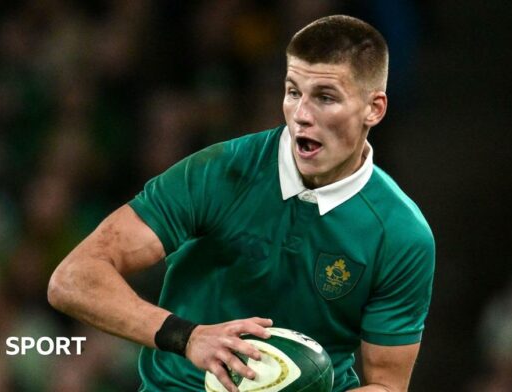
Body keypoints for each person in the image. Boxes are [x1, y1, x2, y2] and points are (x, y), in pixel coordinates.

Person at [48, 15, 435, 392]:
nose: (301, 115)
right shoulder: (219, 172)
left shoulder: (401, 234)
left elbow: (386, 383)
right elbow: (73, 278)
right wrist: (189, 337)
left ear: (375, 108)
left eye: (325, 98)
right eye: (293, 91)